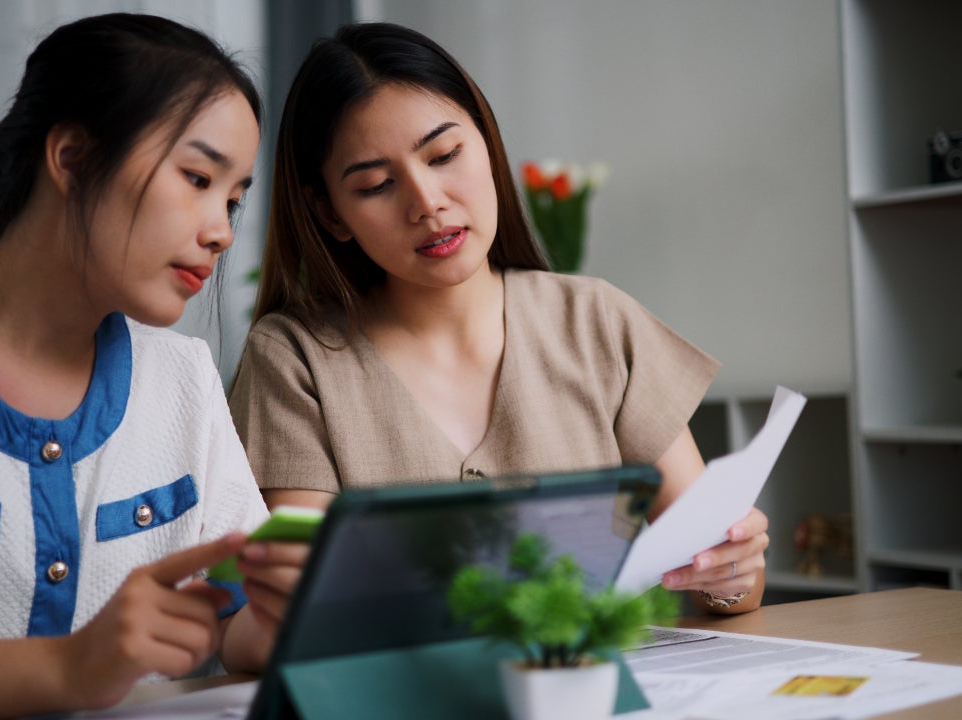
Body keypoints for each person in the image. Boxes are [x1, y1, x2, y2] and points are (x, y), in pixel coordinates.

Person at [0, 14, 304, 718]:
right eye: (198, 178)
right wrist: (68, 667)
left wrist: (285, 610)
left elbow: (235, 626)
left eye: (234, 199)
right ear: (72, 157)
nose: (223, 230)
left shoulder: (183, 377)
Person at [228, 21, 768, 615]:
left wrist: (729, 573)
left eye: (445, 154)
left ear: (487, 144)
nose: (427, 201)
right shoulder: (294, 358)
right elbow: (304, 608)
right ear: (330, 214)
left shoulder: (595, 321)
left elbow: (725, 579)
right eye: (378, 185)